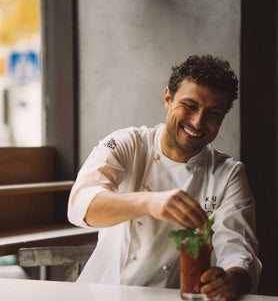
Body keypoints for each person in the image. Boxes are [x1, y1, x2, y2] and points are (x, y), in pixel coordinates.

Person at [68, 54, 261, 301]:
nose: (198, 121)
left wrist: (232, 279)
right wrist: (149, 202)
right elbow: (80, 205)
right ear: (168, 98)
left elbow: (238, 249)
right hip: (101, 293)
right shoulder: (128, 144)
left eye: (213, 114)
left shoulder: (228, 173)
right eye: (189, 106)